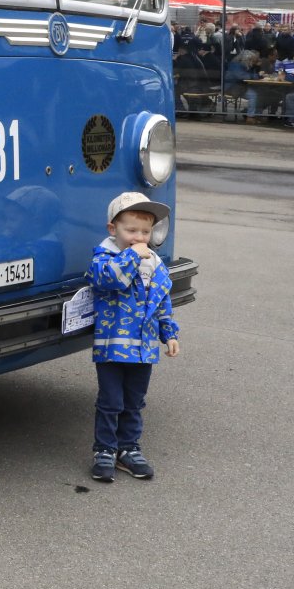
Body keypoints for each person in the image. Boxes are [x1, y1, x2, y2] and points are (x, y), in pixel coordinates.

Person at [88, 192, 180, 482]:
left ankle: (128, 448)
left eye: (145, 232)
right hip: (112, 347)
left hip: (144, 348)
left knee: (134, 402)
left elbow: (162, 301)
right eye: (131, 231)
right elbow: (109, 280)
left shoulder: (154, 263)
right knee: (110, 401)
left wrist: (169, 333)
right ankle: (105, 449)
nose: (139, 238)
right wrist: (132, 255)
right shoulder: (104, 258)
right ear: (112, 229)